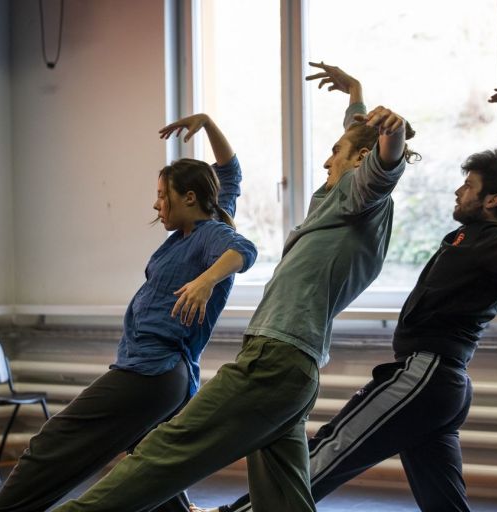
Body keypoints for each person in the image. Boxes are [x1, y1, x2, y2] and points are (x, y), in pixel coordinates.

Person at [50, 61, 418, 512]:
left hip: (274, 362)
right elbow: (358, 141)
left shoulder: (363, 198)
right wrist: (356, 94)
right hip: (291, 371)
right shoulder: (337, 202)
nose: (326, 159)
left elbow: (381, 162)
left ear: (360, 161)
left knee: (163, 452)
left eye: (335, 150)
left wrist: (392, 134)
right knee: (283, 499)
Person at [195, 86, 497, 512]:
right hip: (445, 387)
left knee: (330, 451)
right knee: (444, 502)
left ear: (490, 202)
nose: (458, 192)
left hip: (423, 376)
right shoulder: (492, 225)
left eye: (468, 187)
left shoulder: (495, 242)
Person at [0, 113, 258, 512]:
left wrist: (205, 282)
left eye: (164, 194)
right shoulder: (203, 222)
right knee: (149, 462)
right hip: (163, 375)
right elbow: (230, 173)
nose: (156, 203)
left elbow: (244, 250)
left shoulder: (210, 234)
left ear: (190, 198)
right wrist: (209, 125)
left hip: (151, 371)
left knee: (55, 442)